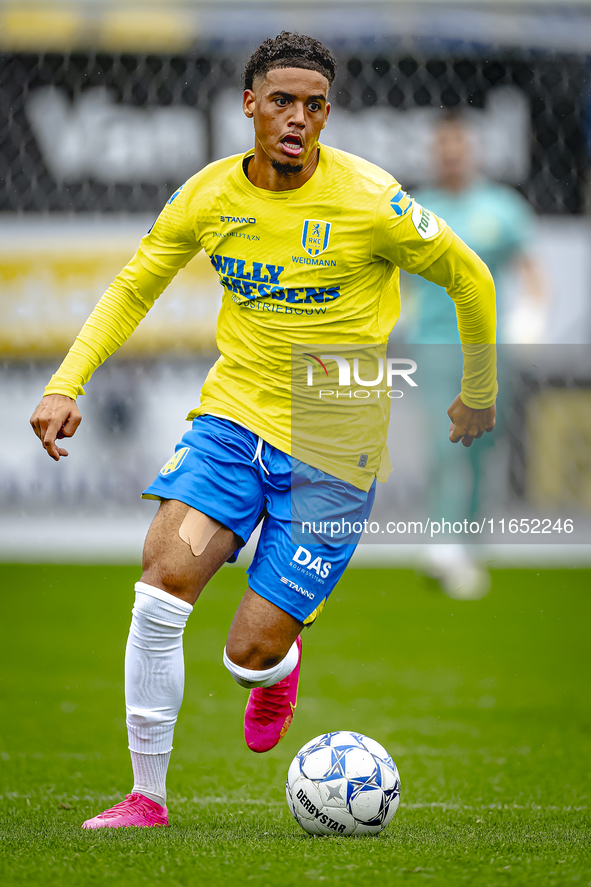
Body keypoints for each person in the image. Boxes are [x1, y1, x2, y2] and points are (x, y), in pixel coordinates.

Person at [29, 32, 496, 830]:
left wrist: (477, 392)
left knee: (246, 655)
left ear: (327, 114)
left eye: (314, 105)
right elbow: (135, 285)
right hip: (231, 422)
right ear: (249, 103)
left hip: (333, 439)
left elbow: (469, 277)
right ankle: (147, 797)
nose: (297, 118)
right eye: (281, 100)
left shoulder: (370, 200)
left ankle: (276, 662)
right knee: (160, 582)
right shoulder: (208, 197)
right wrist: (67, 379)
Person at [402, 111, 545, 599]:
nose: (451, 154)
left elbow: (529, 268)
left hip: (491, 348)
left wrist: (531, 316)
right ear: (434, 152)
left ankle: (469, 544)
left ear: (473, 150)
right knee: (449, 443)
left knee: (485, 447)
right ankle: (443, 544)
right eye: (443, 146)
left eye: (458, 145)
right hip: (436, 342)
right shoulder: (418, 209)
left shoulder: (502, 208)